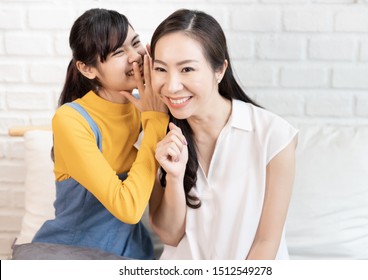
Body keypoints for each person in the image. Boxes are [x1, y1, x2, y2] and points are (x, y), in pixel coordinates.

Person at [147, 9, 298, 260]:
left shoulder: (274, 136)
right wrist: (174, 177)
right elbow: (169, 235)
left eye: (187, 70)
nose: (171, 86)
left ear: (219, 70)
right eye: (160, 69)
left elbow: (266, 242)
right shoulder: (157, 136)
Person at [31, 8, 168, 259]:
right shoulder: (71, 119)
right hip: (74, 256)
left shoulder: (147, 107)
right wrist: (155, 123)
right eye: (118, 52)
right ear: (87, 69)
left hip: (133, 253)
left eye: (135, 43)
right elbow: (129, 209)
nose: (134, 57)